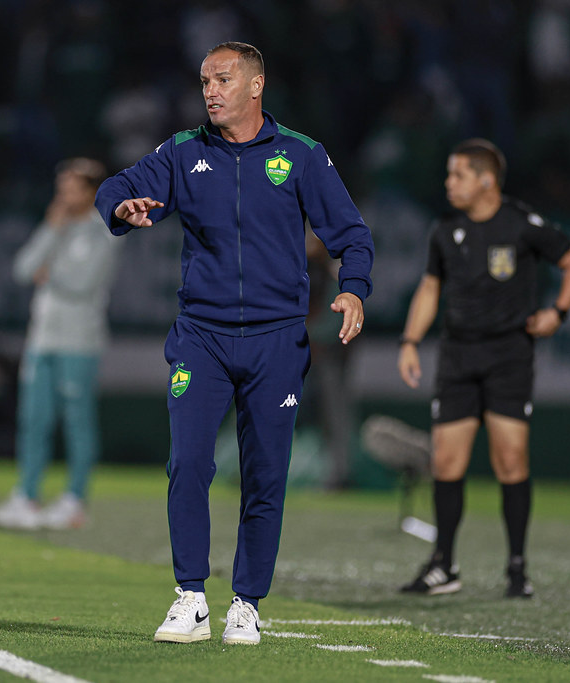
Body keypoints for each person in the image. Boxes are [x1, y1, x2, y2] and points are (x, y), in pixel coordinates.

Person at [95, 42, 373, 645]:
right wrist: (120, 205)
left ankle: (246, 603)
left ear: (256, 85)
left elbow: (351, 234)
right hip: (202, 337)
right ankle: (190, 598)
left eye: (222, 79)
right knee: (188, 462)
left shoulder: (301, 155)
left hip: (278, 340)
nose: (210, 91)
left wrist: (353, 288)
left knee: (265, 474)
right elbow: (117, 185)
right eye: (204, 82)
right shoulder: (183, 151)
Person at [397, 138, 570, 598]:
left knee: (509, 460)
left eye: (457, 174)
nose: (449, 183)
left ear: (486, 180)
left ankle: (517, 568)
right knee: (446, 460)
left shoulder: (522, 223)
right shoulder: (445, 228)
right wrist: (409, 341)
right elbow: (429, 288)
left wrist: (557, 313)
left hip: (509, 358)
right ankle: (444, 564)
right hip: (458, 356)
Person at [0, 158, 122, 531]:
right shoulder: (57, 226)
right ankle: (26, 496)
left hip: (79, 341)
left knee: (77, 421)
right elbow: (22, 268)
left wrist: (49, 272)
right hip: (41, 338)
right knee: (33, 419)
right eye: (60, 186)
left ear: (92, 191)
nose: (63, 195)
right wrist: (51, 229)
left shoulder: (105, 231)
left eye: (71, 188)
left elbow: (82, 282)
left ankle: (75, 500)